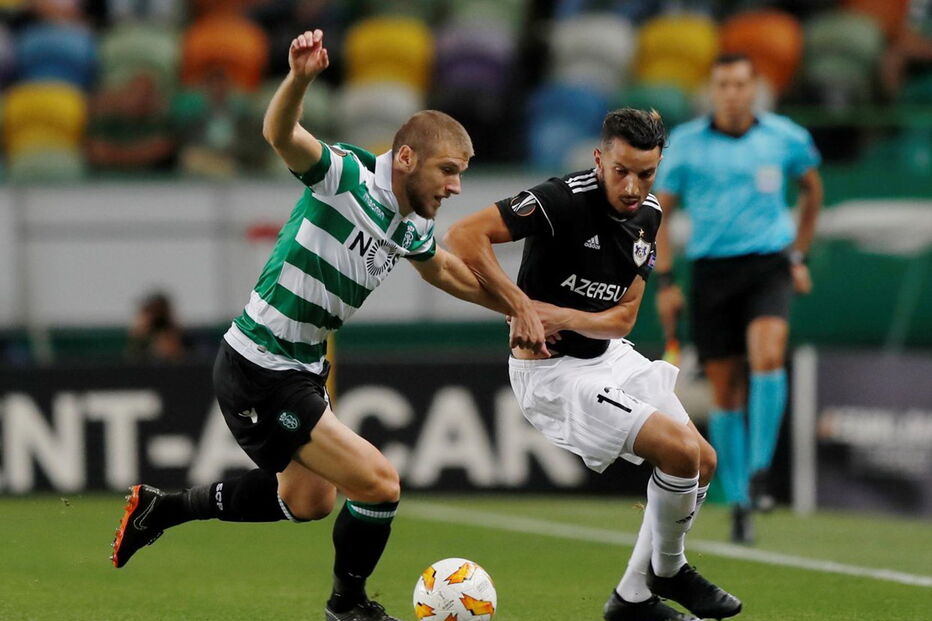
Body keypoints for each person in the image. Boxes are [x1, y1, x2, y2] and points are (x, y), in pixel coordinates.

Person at [110, 30, 515, 621]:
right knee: (378, 483)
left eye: (461, 174)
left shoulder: (410, 224)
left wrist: (520, 308)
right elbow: (280, 135)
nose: (455, 186)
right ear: (405, 157)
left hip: (300, 366)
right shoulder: (345, 176)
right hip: (261, 364)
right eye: (448, 171)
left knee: (308, 501)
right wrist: (299, 78)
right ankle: (346, 606)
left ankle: (160, 510)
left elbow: (445, 272)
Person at [444, 108, 742, 621]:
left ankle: (631, 598)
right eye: (621, 170)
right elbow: (464, 236)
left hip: (609, 357)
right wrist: (519, 304)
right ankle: (668, 571)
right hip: (552, 374)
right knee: (677, 452)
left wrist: (561, 313)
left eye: (645, 174)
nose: (631, 186)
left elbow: (624, 317)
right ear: (600, 158)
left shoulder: (649, 217)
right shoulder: (562, 200)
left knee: (703, 461)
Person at [653, 53, 823, 543]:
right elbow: (660, 212)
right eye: (722, 84)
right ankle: (741, 501)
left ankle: (761, 471)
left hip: (769, 262)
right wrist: (665, 280)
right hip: (711, 271)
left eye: (739, 84)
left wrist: (799, 257)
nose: (731, 93)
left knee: (767, 354)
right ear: (713, 91)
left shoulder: (784, 137)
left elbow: (811, 190)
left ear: (754, 90)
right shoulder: (685, 144)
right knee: (727, 390)